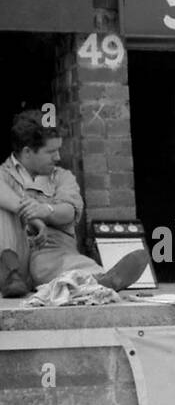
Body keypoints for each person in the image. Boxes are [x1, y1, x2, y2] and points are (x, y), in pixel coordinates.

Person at [0, 110, 147, 297]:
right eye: (51, 152)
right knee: (3, 211)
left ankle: (101, 280)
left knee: (54, 264)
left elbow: (69, 211)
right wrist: (30, 215)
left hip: (50, 251)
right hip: (12, 258)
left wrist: (45, 210)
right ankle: (10, 277)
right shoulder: (3, 174)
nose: (58, 157)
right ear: (28, 152)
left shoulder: (62, 177)